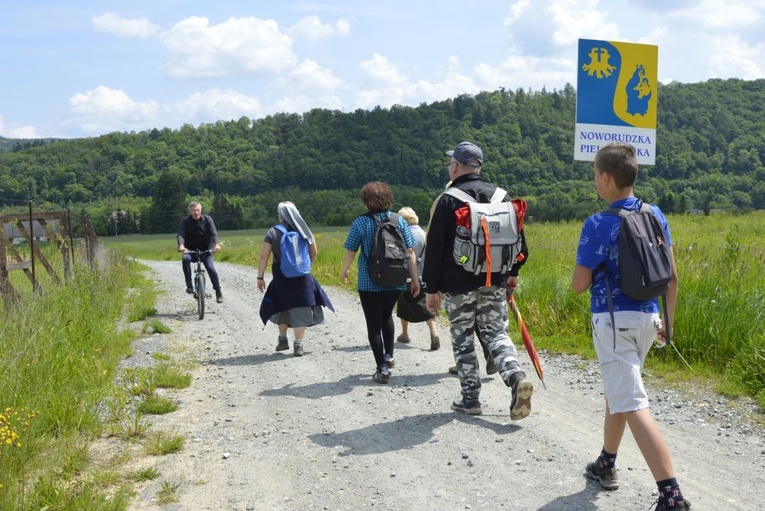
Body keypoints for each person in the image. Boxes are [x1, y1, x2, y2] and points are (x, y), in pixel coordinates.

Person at [572, 143, 688, 510]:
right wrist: (667, 322)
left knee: (633, 402)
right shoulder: (656, 215)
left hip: (613, 321)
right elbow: (671, 277)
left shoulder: (598, 222)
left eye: (594, 175)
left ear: (606, 178)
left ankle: (671, 494)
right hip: (648, 319)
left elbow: (579, 284)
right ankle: (606, 462)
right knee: (618, 392)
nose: (595, 181)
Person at [423, 141, 532, 419]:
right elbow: (520, 245)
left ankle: (470, 398)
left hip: (457, 284)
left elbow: (434, 249)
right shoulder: (502, 198)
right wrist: (512, 275)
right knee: (496, 334)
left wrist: (431, 289)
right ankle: (516, 376)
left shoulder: (448, 199)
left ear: (456, 167)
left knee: (463, 339)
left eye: (451, 163)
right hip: (495, 281)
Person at [341, 182, 421, 384]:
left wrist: (344, 271)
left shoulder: (360, 222)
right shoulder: (399, 221)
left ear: (366, 200)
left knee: (373, 323)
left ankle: (382, 369)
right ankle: (389, 355)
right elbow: (410, 252)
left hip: (369, 282)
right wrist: (414, 279)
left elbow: (351, 251)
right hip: (395, 280)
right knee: (387, 315)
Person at [257, 201, 334, 357]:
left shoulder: (273, 232)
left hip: (281, 276)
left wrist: (260, 276)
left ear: (281, 215)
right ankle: (298, 345)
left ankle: (282, 339)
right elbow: (314, 253)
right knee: (301, 308)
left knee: (281, 307)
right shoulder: (304, 230)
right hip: (303, 278)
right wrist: (304, 268)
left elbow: (264, 256)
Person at [394, 207, 440, 351]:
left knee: (403, 304)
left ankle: (405, 333)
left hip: (407, 277)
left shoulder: (403, 236)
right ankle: (434, 332)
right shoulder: (425, 234)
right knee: (427, 307)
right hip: (426, 277)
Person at [177, 201, 223, 303]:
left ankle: (218, 291)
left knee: (211, 268)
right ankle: (189, 285)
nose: (196, 213)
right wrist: (181, 245)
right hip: (190, 251)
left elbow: (213, 232)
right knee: (185, 259)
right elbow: (181, 234)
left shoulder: (207, 219)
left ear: (200, 210)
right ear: (190, 211)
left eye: (198, 210)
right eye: (193, 211)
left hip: (205, 251)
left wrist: (216, 244)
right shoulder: (185, 221)